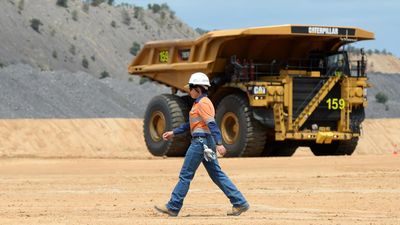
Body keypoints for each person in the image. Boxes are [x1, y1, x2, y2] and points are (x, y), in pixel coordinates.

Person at [154, 72, 249, 217]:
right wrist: (174, 132)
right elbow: (191, 124)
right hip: (205, 142)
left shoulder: (203, 103)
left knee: (185, 175)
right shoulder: (199, 103)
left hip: (200, 143)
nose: (189, 90)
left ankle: (173, 206)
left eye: (190, 88)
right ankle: (239, 202)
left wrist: (219, 144)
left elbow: (212, 124)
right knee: (217, 175)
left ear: (197, 88)